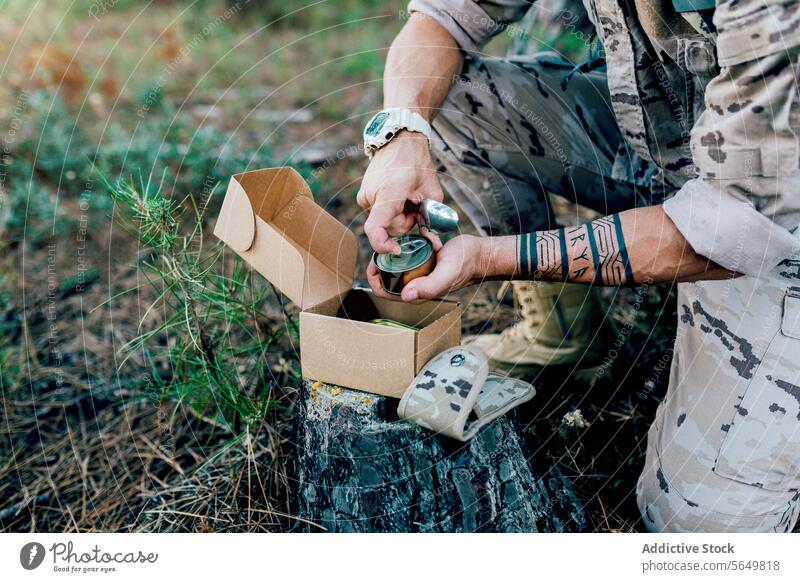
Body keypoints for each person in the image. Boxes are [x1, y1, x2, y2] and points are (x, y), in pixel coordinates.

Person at [356, 0, 800, 532]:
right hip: (662, 145)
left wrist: (489, 259)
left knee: (701, 526)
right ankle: (559, 336)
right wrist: (402, 137)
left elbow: (735, 222)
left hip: (773, 219)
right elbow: (442, 18)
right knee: (444, 105)